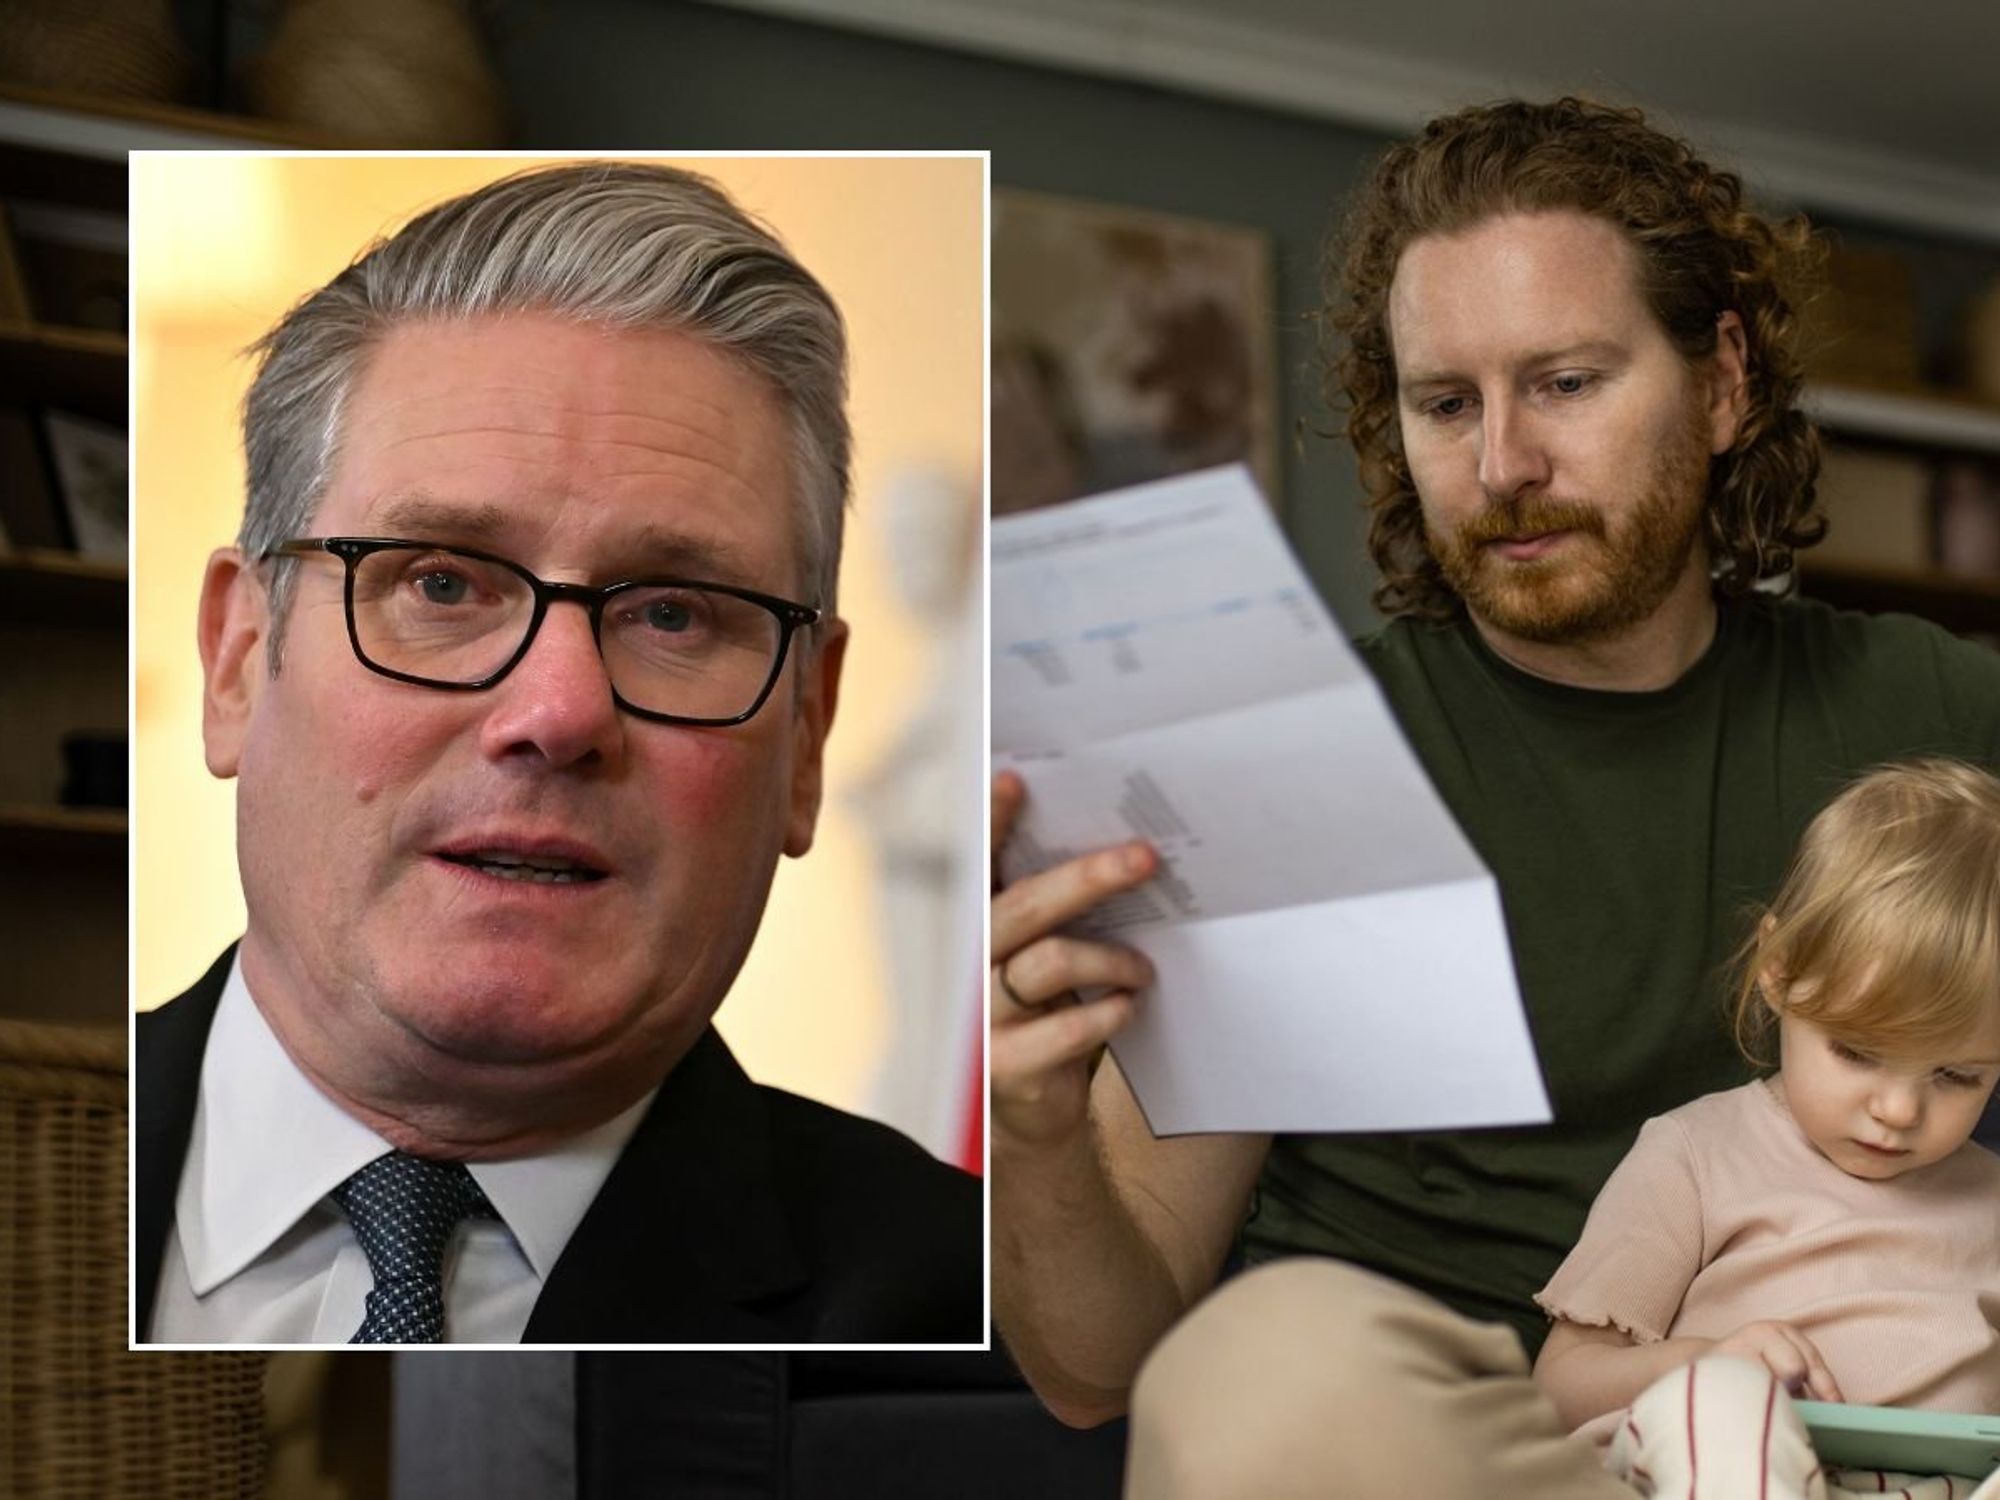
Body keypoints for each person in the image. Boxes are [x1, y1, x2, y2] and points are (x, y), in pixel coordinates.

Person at [989, 97, 2000, 1494]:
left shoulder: (1935, 718)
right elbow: (1097, 1371)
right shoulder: (1279, 755)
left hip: (1842, 1458)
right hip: (1468, 1454)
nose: (1502, 466)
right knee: (1267, 1357)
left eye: (1567, 383)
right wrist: (1036, 1132)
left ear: (1721, 384)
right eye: (1445, 404)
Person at [136, 160, 980, 1345]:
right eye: (439, 582)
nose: (558, 709)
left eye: (675, 614)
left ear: (807, 732)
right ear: (237, 656)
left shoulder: (990, 1325)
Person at [1533, 759, 2000, 1499]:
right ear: (1780, 972)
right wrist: (1704, 1360)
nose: (1899, 1112)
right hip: (1705, 1466)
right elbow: (1558, 1387)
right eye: (1858, 1052)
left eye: (1956, 1076)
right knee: (1718, 1401)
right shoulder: (1693, 1154)